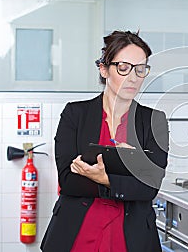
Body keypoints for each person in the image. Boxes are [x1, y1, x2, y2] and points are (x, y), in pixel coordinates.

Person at [41, 30, 169, 252]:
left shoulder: (154, 121)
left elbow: (150, 187)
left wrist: (105, 178)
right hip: (77, 236)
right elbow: (68, 180)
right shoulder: (75, 114)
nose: (133, 77)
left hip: (130, 238)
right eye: (123, 68)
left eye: (140, 69)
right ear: (104, 69)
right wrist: (130, 170)